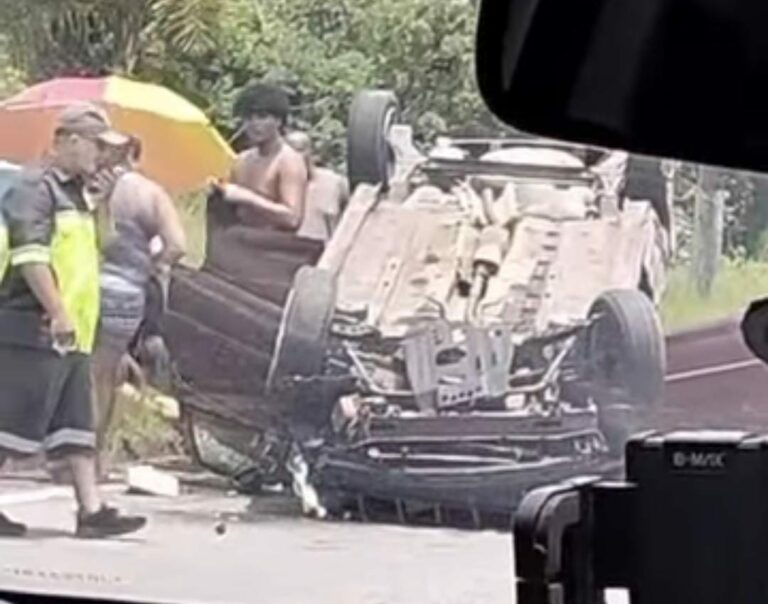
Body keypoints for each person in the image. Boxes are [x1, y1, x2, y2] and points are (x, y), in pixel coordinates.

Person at [0, 103, 147, 538]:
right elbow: (30, 255)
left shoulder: (78, 194)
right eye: (98, 147)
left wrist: (101, 204)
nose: (102, 157)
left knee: (76, 425)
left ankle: (91, 510)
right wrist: (58, 311)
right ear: (70, 140)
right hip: (35, 325)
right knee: (11, 423)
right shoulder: (35, 188)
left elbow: (103, 245)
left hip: (73, 332)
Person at [92, 136, 186, 468]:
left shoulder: (85, 187)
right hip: (126, 291)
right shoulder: (150, 193)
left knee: (76, 372)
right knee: (104, 375)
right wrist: (150, 265)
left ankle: (64, 452)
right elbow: (177, 245)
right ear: (136, 155)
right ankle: (94, 457)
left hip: (82, 284)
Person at [215, 82, 308, 231]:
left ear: (278, 121)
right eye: (249, 118)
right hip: (240, 237)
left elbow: (292, 218)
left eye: (262, 117)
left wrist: (247, 197)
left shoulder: (288, 161)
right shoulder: (242, 160)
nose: (254, 124)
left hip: (274, 241)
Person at [285, 131, 350, 243]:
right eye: (289, 153)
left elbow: (351, 217)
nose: (295, 157)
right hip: (291, 250)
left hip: (329, 250)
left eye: (299, 150)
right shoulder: (276, 187)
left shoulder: (334, 182)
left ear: (311, 152)